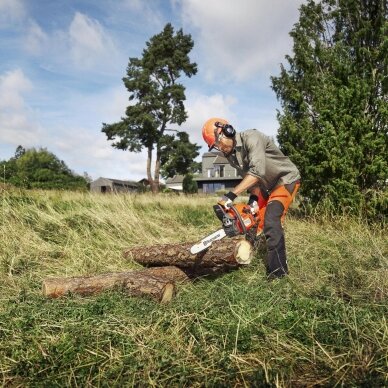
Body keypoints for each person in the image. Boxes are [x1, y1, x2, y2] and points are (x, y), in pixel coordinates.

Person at [202, 117, 301, 279]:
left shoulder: (252, 138)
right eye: (216, 147)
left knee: (271, 219)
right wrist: (253, 200)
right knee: (251, 218)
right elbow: (251, 179)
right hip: (264, 185)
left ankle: (278, 273)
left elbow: (257, 172)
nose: (220, 149)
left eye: (219, 144)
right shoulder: (231, 156)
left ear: (227, 132)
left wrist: (230, 196)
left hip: (285, 179)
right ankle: (250, 253)